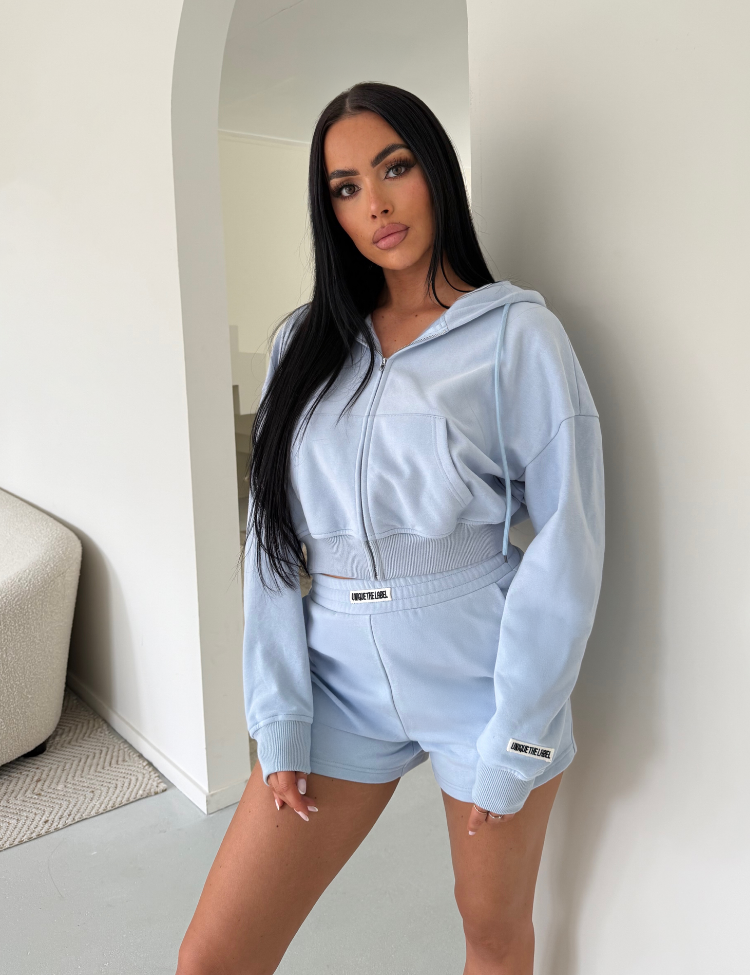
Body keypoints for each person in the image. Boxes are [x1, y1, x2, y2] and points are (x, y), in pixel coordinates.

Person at [177, 82, 605, 975]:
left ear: (435, 171)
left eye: (394, 168)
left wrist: (518, 733)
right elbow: (270, 543)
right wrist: (279, 714)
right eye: (345, 187)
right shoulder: (304, 344)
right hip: (336, 679)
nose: (373, 203)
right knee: (212, 959)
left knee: (491, 934)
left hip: (478, 677)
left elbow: (569, 539)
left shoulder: (518, 337)